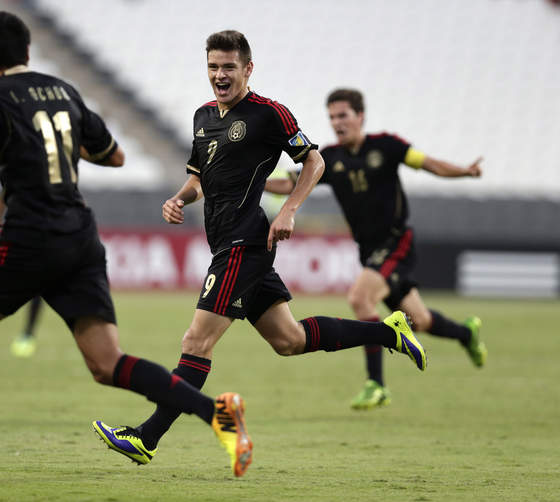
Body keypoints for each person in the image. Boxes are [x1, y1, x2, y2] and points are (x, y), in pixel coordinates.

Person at [0, 12, 254, 489]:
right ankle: (215, 413)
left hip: (30, 235)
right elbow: (114, 155)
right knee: (107, 363)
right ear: (28, 50)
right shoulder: (64, 91)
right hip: (80, 236)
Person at [94, 31, 426, 468]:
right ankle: (390, 332)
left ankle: (146, 437)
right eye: (213, 66)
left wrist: (289, 209)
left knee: (196, 341)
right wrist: (179, 198)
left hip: (244, 243)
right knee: (289, 340)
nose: (219, 75)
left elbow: (315, 161)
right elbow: (199, 178)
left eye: (228, 67)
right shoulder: (202, 116)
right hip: (225, 243)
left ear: (248, 69)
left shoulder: (269, 114)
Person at [266, 88, 487, 410]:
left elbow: (429, 164)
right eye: (332, 117)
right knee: (419, 320)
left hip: (396, 242)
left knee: (360, 298)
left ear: (360, 116)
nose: (337, 123)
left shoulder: (387, 146)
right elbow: (289, 182)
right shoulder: (331, 158)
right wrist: (251, 182)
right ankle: (467, 334)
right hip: (369, 251)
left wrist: (465, 171)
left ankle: (376, 384)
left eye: (343, 115)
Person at [0, 194, 43, 357]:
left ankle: (28, 333)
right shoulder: (17, 182)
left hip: (44, 237)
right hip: (22, 236)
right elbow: (1, 198)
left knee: (38, 287)